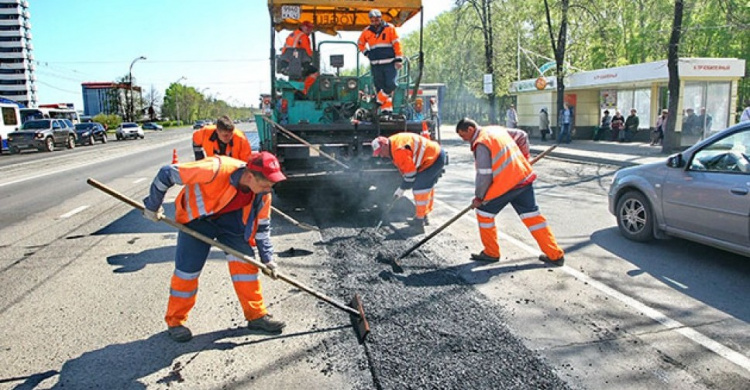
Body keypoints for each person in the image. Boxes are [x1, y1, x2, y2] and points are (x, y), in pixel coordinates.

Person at [143, 152, 287, 342]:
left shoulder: (262, 193)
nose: (269, 189)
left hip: (232, 223)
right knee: (187, 272)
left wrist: (268, 260)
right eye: (266, 184)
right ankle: (175, 321)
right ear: (250, 176)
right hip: (198, 221)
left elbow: (262, 228)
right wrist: (153, 206)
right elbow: (167, 173)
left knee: (246, 266)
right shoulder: (214, 168)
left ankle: (256, 316)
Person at [454, 118, 565, 265]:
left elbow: (484, 175)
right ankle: (555, 254)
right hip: (523, 178)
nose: (464, 139)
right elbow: (521, 135)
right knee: (532, 216)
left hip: (506, 185)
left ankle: (491, 252)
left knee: (484, 213)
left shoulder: (481, 143)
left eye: (463, 135)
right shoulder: (495, 129)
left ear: (470, 129)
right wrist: (525, 159)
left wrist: (479, 198)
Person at [371, 132, 446, 232]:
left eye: (380, 152)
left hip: (434, 158)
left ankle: (419, 223)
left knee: (420, 189)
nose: (381, 155)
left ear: (385, 145)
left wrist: (402, 188)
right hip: (432, 156)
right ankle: (423, 217)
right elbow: (406, 170)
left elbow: (410, 175)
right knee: (423, 187)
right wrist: (403, 185)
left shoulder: (398, 150)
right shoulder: (392, 143)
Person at [358, 9, 403, 114]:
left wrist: (399, 59)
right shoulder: (367, 31)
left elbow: (397, 44)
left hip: (389, 63)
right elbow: (360, 43)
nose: (375, 22)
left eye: (377, 20)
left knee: (391, 84)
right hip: (376, 65)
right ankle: (386, 111)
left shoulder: (390, 29)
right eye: (372, 20)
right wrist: (367, 53)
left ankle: (377, 102)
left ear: (380, 18)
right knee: (380, 88)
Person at [280, 21, 319, 98]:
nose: (309, 30)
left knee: (301, 73)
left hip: (286, 64)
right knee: (315, 72)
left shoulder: (292, 35)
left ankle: (295, 90)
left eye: (310, 28)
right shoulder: (303, 37)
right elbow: (308, 53)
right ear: (302, 27)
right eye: (307, 28)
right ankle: (302, 91)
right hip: (296, 63)